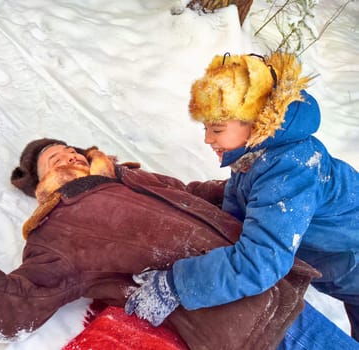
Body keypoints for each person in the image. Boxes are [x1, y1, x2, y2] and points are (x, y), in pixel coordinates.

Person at [0, 137, 324, 350]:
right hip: (252, 331)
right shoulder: (57, 232)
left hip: (284, 289)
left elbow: (199, 194)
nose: (68, 156)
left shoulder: (132, 179)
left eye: (69, 149)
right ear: (41, 184)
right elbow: (15, 306)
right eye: (53, 160)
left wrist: (256, 174)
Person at [125, 52, 359, 347]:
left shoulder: (291, 167)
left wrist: (178, 285)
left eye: (217, 129)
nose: (208, 139)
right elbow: (241, 215)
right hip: (336, 261)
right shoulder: (258, 153)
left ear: (256, 121)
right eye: (205, 127)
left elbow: (260, 261)